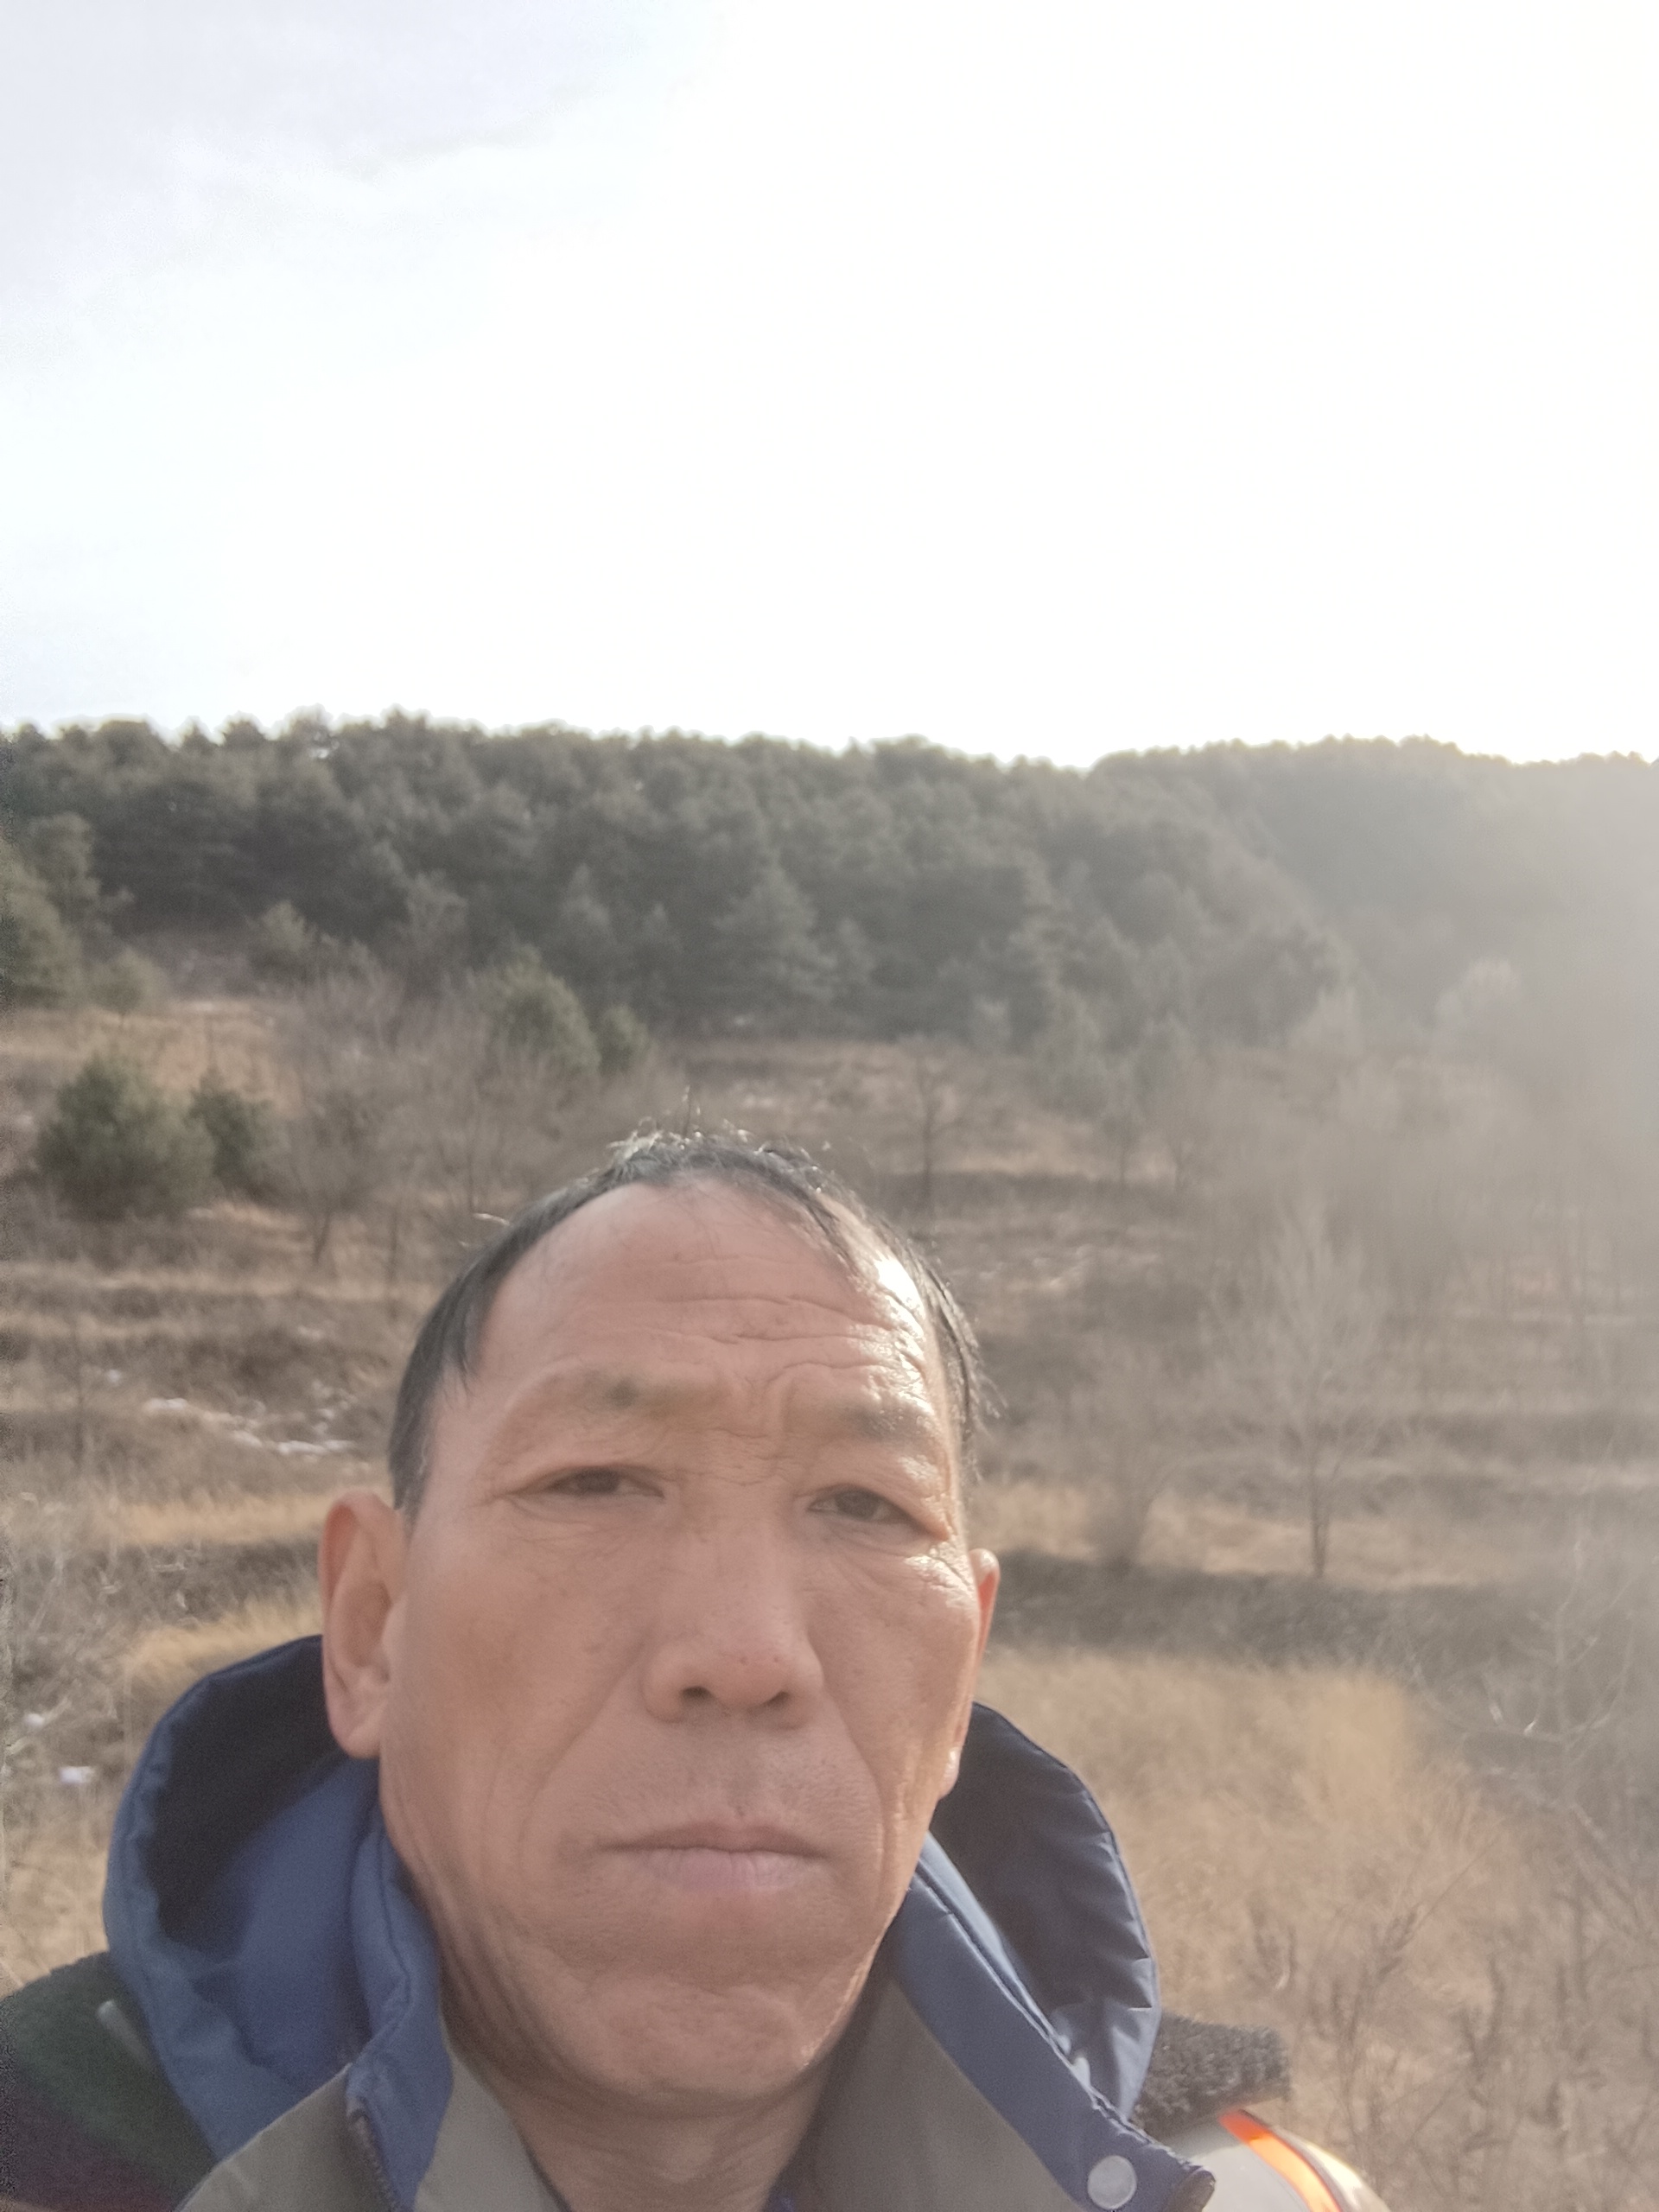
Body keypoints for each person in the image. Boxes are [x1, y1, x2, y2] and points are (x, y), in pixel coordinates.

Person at [2, 1133, 1350, 2212]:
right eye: (596, 1482)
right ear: (373, 1629)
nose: (746, 1654)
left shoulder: (1241, 2192)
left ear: (962, 1681)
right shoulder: (47, 2153)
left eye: (866, 1505)